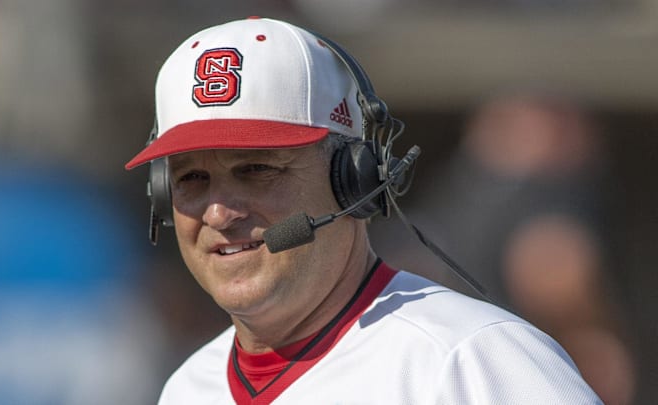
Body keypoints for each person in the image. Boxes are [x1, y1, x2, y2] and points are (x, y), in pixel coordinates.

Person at [125, 17, 602, 404]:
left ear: (355, 178)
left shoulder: (473, 360)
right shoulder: (188, 388)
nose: (219, 213)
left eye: (256, 169)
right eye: (190, 179)